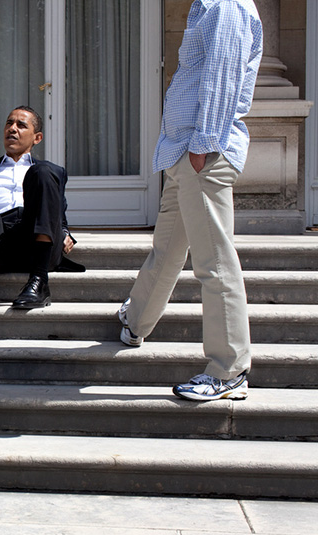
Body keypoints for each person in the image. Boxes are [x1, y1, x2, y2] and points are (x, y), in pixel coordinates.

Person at [118, 0, 263, 402]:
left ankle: (229, 369)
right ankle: (136, 321)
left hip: (201, 153)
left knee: (214, 263)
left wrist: (202, 145)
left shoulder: (226, 4)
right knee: (167, 249)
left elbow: (223, 75)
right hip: (183, 153)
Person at [0, 106, 79, 348]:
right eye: (9, 123)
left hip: (37, 243)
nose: (12, 128)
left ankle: (39, 282)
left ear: (37, 137)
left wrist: (65, 232)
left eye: (21, 125)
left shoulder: (52, 172)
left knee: (42, 172)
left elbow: (56, 209)